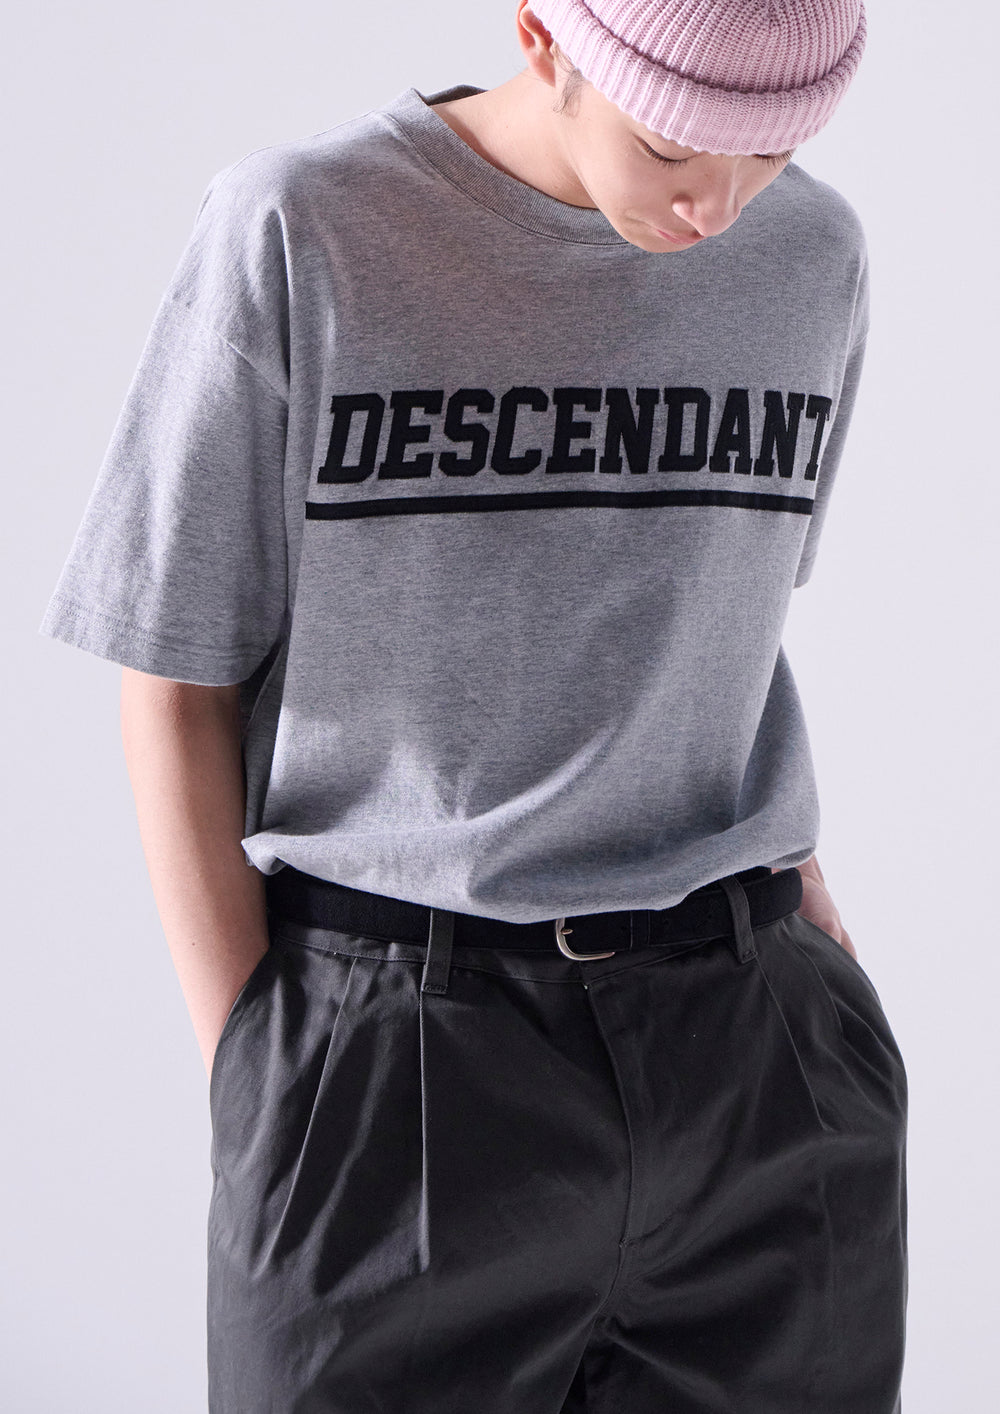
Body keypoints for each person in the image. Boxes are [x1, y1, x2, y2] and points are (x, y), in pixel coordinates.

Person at [38, 1, 908, 1409]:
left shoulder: (815, 255)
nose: (718, 206)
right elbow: (178, 678)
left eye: (770, 151)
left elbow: (723, 624)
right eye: (673, 148)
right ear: (544, 39)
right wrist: (261, 1079)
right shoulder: (305, 231)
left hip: (758, 1057)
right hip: (400, 1057)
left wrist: (809, 938)